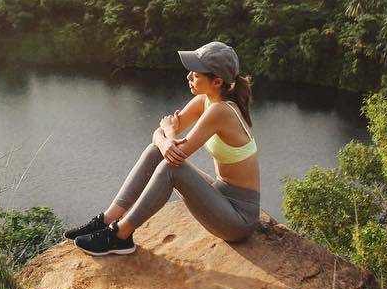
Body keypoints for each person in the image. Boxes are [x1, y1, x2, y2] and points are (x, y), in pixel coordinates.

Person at [65, 40, 260, 256]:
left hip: (239, 220)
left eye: (195, 75)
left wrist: (167, 133)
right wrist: (165, 138)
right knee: (155, 151)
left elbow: (177, 154)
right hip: (221, 195)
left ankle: (120, 236)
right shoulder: (204, 101)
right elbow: (159, 138)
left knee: (171, 168)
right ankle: (107, 219)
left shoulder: (221, 111)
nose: (188, 77)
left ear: (216, 82)